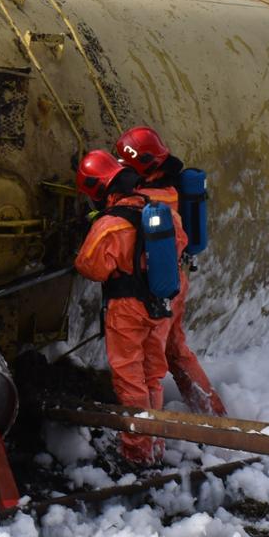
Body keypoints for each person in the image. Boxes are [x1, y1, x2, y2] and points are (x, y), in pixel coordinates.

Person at [114, 126, 228, 417]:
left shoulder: (145, 197)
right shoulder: (174, 188)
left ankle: (149, 430)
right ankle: (212, 414)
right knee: (176, 349)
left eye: (127, 163)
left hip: (157, 287)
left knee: (148, 365)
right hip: (176, 278)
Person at [72, 149, 176, 465]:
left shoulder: (110, 225)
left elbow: (90, 267)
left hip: (127, 309)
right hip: (160, 304)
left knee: (130, 380)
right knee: (152, 376)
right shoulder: (159, 210)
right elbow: (180, 244)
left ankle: (137, 453)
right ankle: (155, 445)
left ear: (100, 190)